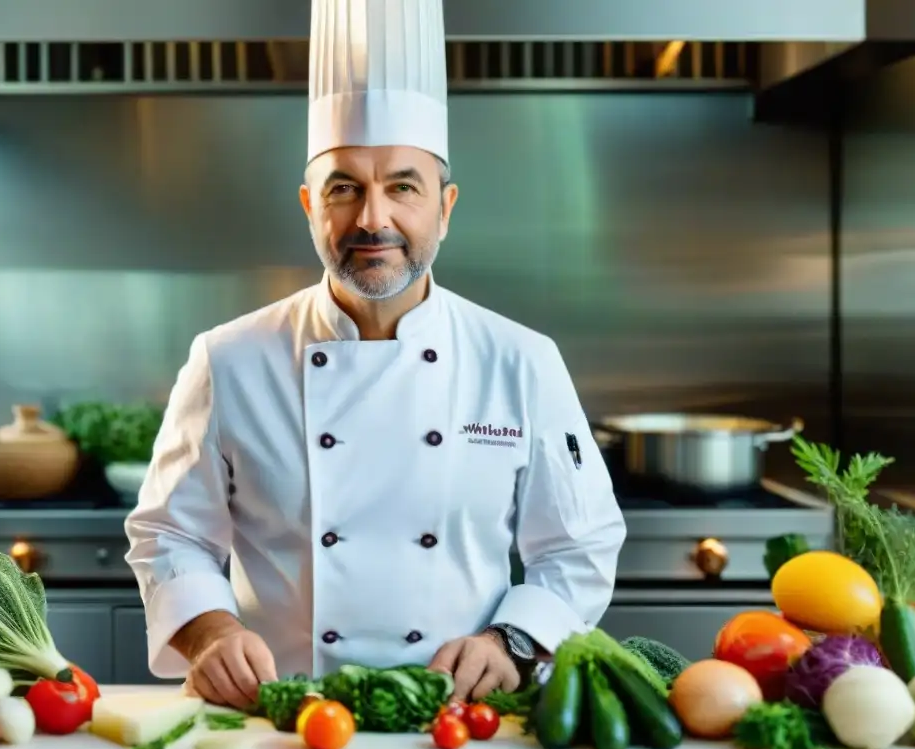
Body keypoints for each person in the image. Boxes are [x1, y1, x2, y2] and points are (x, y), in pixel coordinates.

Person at [124, 0, 626, 712]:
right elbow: (168, 531)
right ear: (308, 206)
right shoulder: (229, 359)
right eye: (344, 189)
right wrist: (207, 633)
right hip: (281, 721)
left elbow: (581, 544)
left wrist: (511, 642)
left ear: (445, 208)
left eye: (402, 187)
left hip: (456, 722)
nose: (372, 219)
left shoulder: (521, 361)